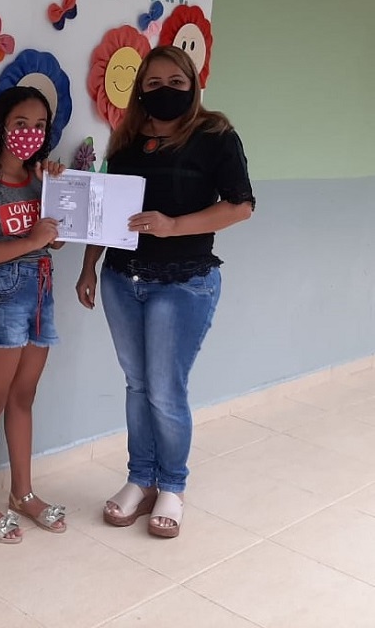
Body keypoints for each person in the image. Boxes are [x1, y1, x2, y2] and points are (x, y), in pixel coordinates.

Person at [75, 44, 254, 538]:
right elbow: (104, 213)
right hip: (121, 279)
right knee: (137, 385)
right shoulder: (127, 141)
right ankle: (140, 478)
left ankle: (172, 485)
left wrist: (173, 225)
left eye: (176, 82)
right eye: (153, 84)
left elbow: (241, 206)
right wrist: (89, 267)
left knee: (166, 389)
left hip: (185, 281)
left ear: (193, 84)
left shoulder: (215, 136)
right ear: (139, 91)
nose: (165, 91)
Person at [0, 85, 67, 544]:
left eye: (39, 126)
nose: (30, 133)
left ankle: (23, 493)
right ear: (2, 125)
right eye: (22, 123)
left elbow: (56, 239)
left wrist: (58, 193)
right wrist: (31, 241)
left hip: (42, 291)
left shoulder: (41, 179)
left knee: (23, 398)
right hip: (3, 296)